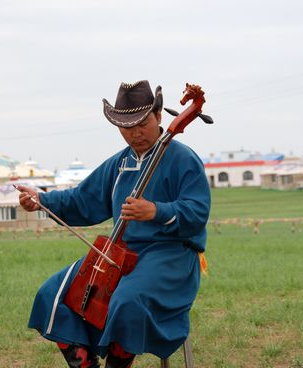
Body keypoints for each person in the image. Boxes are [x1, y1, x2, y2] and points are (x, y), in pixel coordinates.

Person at [18, 80, 211, 368]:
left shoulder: (183, 159)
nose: (135, 134)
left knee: (126, 301)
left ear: (159, 116)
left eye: (142, 124)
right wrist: (42, 200)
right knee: (53, 293)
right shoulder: (119, 164)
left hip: (171, 257)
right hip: (119, 255)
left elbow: (198, 212)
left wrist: (155, 211)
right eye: (126, 127)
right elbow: (82, 200)